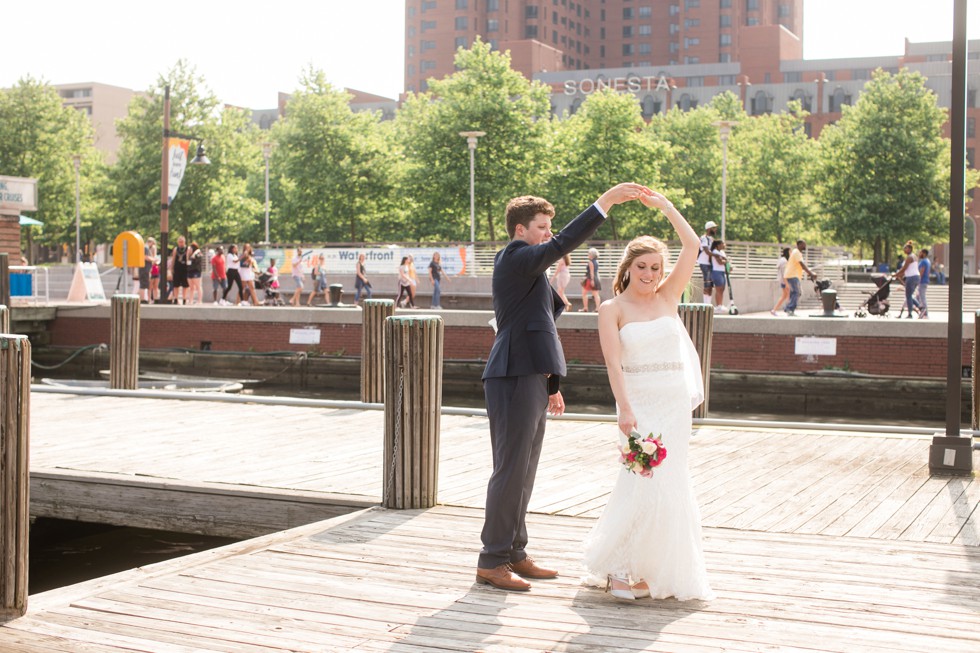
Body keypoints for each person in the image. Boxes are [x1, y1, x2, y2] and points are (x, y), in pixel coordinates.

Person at [476, 182, 653, 592]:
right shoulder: (516, 257)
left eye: (550, 226)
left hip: (530, 376)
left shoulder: (529, 268)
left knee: (525, 470)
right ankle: (491, 559)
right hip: (512, 375)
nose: (549, 233)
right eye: (542, 226)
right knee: (510, 469)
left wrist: (552, 383)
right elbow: (563, 245)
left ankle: (514, 552)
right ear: (521, 230)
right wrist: (605, 202)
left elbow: (538, 328)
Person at [583, 191, 714, 602]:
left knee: (670, 483)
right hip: (638, 404)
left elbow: (693, 245)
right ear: (628, 267)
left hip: (673, 404)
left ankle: (651, 570)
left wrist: (666, 207)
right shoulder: (611, 308)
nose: (650, 274)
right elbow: (613, 365)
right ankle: (619, 569)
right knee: (638, 482)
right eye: (642, 266)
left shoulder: (667, 297)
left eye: (656, 267)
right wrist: (624, 409)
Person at [783, 240, 816, 316]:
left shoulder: (796, 253)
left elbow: (799, 267)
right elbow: (802, 265)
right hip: (792, 275)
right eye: (804, 244)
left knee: (795, 293)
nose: (805, 246)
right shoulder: (797, 252)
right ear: (799, 244)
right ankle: (790, 309)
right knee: (796, 292)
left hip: (792, 275)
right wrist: (810, 274)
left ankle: (787, 308)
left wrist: (808, 273)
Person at [895, 240, 920, 319]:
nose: (904, 250)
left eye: (905, 248)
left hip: (911, 277)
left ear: (909, 249)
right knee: (910, 295)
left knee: (908, 296)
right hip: (916, 277)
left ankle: (910, 313)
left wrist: (896, 274)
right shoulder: (914, 256)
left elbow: (904, 268)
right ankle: (920, 307)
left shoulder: (910, 257)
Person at [697, 221, 718, 305]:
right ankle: (706, 303)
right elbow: (706, 251)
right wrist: (718, 256)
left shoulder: (711, 239)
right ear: (709, 229)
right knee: (707, 282)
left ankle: (708, 303)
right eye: (714, 228)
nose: (715, 229)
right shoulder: (704, 238)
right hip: (704, 263)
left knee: (711, 284)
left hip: (710, 263)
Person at [169, 235, 190, 304]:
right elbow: (173, 259)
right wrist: (171, 268)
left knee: (185, 285)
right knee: (176, 285)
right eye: (180, 242)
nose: (181, 243)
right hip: (177, 268)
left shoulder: (187, 249)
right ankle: (176, 298)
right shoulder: (176, 249)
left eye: (182, 242)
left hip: (185, 269)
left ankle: (184, 299)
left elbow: (188, 259)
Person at [580, 248, 602, 312]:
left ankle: (585, 308)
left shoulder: (590, 262)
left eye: (589, 253)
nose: (588, 255)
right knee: (596, 294)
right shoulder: (596, 262)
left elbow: (591, 271)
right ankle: (598, 308)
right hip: (596, 278)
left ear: (591, 254)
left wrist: (592, 280)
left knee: (584, 293)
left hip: (590, 279)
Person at [771, 247, 791, 316]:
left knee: (784, 296)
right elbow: (784, 273)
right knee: (788, 295)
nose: (791, 253)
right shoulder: (784, 261)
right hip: (784, 281)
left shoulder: (782, 260)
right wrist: (786, 283)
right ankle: (788, 310)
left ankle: (774, 310)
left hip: (782, 280)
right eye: (790, 252)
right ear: (787, 252)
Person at [709, 240, 728, 312]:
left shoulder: (722, 252)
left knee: (722, 289)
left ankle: (720, 305)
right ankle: (718, 306)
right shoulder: (715, 252)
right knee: (718, 289)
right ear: (718, 245)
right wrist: (726, 261)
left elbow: (724, 261)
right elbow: (720, 262)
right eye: (723, 243)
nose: (724, 245)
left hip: (722, 272)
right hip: (716, 272)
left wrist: (725, 261)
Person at [139, 237, 155, 303]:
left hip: (145, 268)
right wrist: (154, 259)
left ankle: (144, 298)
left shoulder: (144, 248)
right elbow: (145, 257)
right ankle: (143, 299)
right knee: (144, 284)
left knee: (145, 284)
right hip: (144, 268)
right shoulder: (145, 248)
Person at [917, 249, 931, 319]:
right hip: (925, 281)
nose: (919, 254)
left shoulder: (923, 262)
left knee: (922, 298)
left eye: (920, 253)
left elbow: (921, 272)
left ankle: (925, 313)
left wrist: (918, 281)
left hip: (922, 281)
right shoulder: (928, 261)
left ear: (924, 254)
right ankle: (922, 312)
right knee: (919, 297)